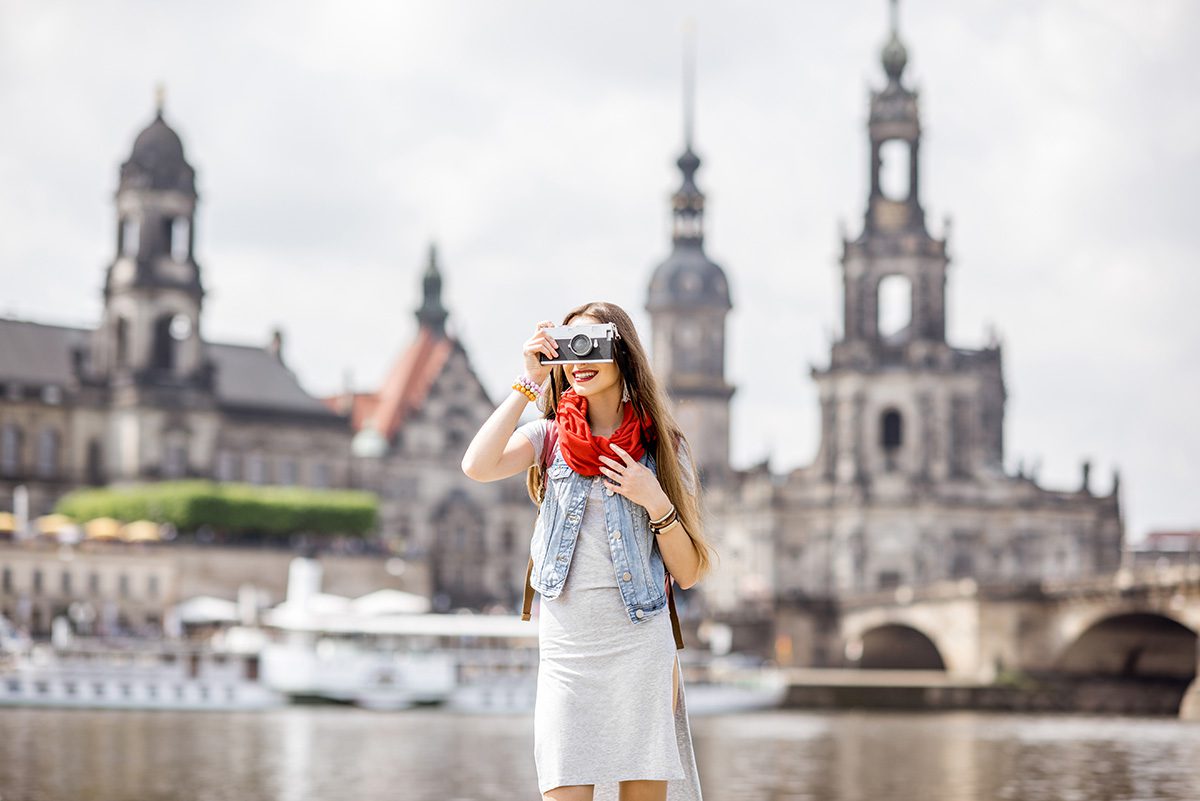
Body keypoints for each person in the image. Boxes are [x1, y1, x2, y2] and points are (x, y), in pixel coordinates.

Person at [462, 300, 715, 801]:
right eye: (569, 346)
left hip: (640, 643)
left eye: (594, 344)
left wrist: (654, 498)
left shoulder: (663, 447)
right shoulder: (549, 437)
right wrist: (527, 382)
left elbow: (686, 573)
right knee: (563, 785)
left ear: (622, 352)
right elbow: (477, 464)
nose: (580, 359)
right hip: (568, 648)